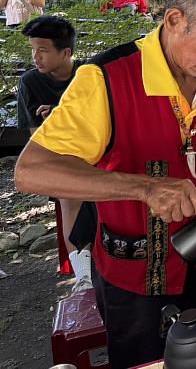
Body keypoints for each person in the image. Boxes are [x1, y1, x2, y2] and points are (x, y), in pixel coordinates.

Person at [14, 0, 196, 368]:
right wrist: (145, 188)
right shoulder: (106, 79)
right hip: (134, 281)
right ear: (174, 20)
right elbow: (30, 171)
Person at [18, 15, 94, 291]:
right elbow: (34, 136)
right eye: (32, 50)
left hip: (99, 152)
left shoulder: (89, 74)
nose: (35, 57)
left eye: (42, 50)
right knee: (68, 197)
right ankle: (83, 273)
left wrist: (64, 115)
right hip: (60, 157)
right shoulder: (30, 82)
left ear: (66, 52)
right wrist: (55, 122)